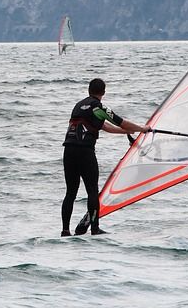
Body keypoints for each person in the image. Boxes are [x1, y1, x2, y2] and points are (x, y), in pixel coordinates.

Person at [61, 78, 149, 236]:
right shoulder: (98, 107)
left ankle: (65, 230)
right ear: (103, 92)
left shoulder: (78, 106)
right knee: (92, 191)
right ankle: (95, 229)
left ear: (89, 90)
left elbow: (104, 126)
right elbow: (120, 122)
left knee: (70, 192)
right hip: (85, 152)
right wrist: (142, 129)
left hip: (68, 151)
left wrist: (127, 132)